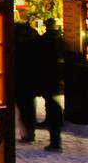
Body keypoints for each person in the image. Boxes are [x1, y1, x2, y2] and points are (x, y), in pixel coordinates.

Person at [35, 18, 67, 152]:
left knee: (51, 104)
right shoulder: (60, 40)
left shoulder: (45, 40)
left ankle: (55, 141)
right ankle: (55, 132)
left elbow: (38, 56)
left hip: (47, 76)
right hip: (55, 77)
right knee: (53, 103)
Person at [12, 20, 41, 144]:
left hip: (19, 78)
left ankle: (26, 132)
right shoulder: (34, 40)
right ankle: (30, 131)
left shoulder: (17, 43)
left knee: (22, 107)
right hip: (31, 79)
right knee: (29, 107)